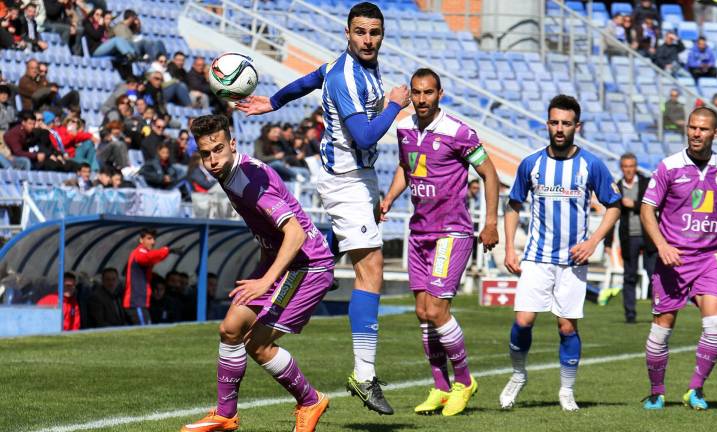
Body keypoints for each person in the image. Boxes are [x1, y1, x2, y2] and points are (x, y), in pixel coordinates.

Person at [235, 2, 410, 414]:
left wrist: (273, 102)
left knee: (352, 258)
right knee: (371, 272)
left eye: (375, 32)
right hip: (345, 179)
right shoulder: (349, 76)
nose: (368, 39)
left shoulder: (346, 65)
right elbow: (366, 136)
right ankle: (364, 376)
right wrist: (394, 105)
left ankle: (317, 263)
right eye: (361, 32)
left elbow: (311, 79)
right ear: (347, 33)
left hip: (358, 179)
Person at [182, 114, 334, 432]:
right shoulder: (228, 173)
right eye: (205, 153)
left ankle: (310, 401)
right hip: (280, 260)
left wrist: (265, 280)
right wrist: (262, 266)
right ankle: (226, 415)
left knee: (258, 344)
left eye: (218, 150)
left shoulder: (250, 182)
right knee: (230, 329)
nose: (211, 159)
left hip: (306, 264)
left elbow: (295, 234)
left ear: (233, 144)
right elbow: (270, 232)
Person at [380, 68, 499, 416]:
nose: (421, 99)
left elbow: (490, 173)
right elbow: (407, 167)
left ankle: (465, 381)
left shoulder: (458, 132)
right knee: (421, 311)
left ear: (440, 94)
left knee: (436, 310)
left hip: (452, 232)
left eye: (428, 93)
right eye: (416, 93)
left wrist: (490, 222)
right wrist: (389, 199)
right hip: (419, 233)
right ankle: (441, 387)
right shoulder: (402, 128)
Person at [499, 95, 621, 411]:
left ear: (576, 127)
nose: (559, 128)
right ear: (547, 123)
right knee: (523, 321)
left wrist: (593, 242)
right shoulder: (531, 164)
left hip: (572, 260)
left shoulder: (591, 165)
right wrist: (510, 247)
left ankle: (566, 390)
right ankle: (517, 375)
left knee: (567, 327)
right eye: (554, 122)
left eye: (566, 123)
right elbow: (513, 204)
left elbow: (614, 205)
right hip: (537, 257)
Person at [639, 106, 717, 410]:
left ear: (715, 133)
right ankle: (657, 392)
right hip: (673, 259)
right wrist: (661, 245)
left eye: (703, 129)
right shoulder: (669, 166)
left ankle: (695, 390)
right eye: (692, 128)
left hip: (709, 258)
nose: (696, 133)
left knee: (715, 325)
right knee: (662, 328)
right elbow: (648, 210)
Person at [604, 153, 658, 324]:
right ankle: (630, 314)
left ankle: (658, 311)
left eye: (631, 166)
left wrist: (633, 204)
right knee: (629, 276)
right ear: (622, 168)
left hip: (648, 235)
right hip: (629, 237)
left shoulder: (646, 182)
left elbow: (654, 204)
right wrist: (608, 241)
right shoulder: (616, 187)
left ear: (636, 167)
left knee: (654, 276)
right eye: (625, 166)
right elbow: (611, 215)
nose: (628, 169)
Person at [123, 228, 181, 325]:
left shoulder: (143, 253)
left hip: (139, 303)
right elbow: (147, 257)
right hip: (135, 303)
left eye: (154, 239)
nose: (153, 242)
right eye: (149, 238)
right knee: (145, 331)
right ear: (141, 240)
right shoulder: (139, 252)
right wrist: (167, 250)